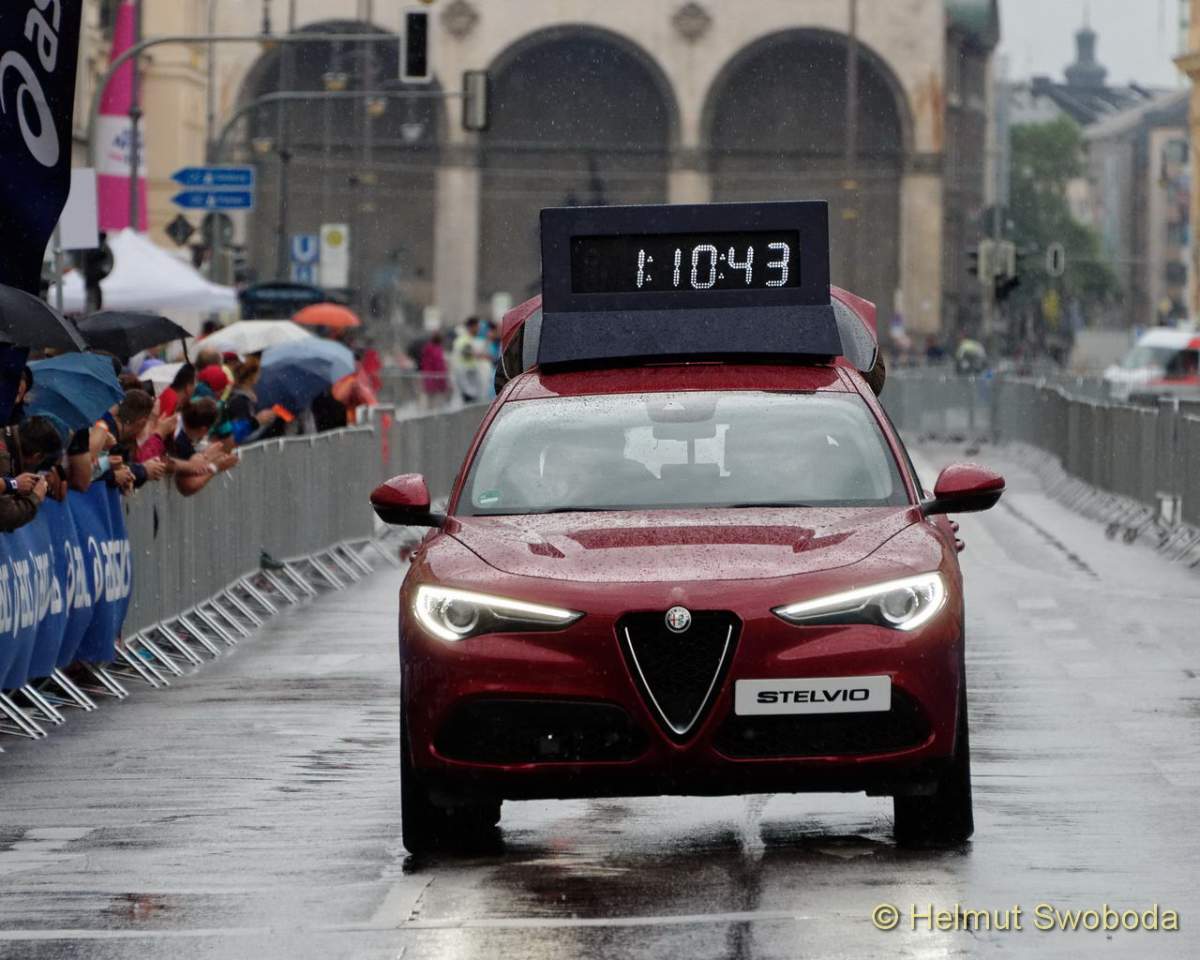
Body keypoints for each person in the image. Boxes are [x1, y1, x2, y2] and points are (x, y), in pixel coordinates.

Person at [170, 398, 238, 496]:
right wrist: (215, 466)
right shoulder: (181, 442)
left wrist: (205, 456)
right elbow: (188, 486)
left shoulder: (175, 417)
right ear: (204, 429)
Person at [0, 415, 50, 531]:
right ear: (37, 456)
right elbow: (4, 517)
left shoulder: (5, 439)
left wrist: (13, 485)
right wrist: (34, 498)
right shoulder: (2, 458)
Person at [217, 357, 277, 444]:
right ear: (252, 377)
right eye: (258, 373)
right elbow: (241, 438)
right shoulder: (240, 401)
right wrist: (262, 423)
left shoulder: (238, 394)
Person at [451, 317, 488, 404]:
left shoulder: (465, 339)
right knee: (469, 402)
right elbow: (466, 353)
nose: (478, 329)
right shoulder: (464, 340)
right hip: (466, 377)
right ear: (472, 327)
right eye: (477, 327)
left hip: (467, 378)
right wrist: (480, 355)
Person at [419, 333, 450, 407]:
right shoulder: (437, 350)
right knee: (438, 401)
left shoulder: (427, 348)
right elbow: (439, 365)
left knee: (430, 399)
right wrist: (444, 379)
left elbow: (423, 363)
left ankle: (429, 412)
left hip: (427, 378)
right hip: (436, 379)